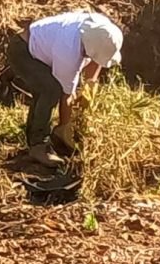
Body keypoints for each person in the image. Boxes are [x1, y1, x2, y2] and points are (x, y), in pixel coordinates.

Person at [9, 11, 123, 167]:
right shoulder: (68, 51)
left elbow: (96, 58)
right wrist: (65, 128)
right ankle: (38, 145)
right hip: (23, 51)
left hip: (41, 46)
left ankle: (33, 133)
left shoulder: (100, 30)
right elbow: (66, 95)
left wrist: (90, 83)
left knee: (44, 91)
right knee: (50, 90)